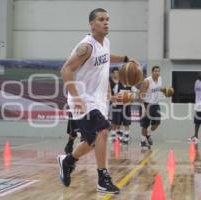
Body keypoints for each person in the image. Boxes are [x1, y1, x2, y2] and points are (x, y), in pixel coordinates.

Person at [57, 8, 138, 194]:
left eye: (108, 19)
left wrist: (124, 60)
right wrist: (76, 96)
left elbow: (105, 62)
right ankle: (103, 178)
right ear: (92, 24)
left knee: (92, 141)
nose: (106, 22)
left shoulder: (105, 43)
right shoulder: (86, 47)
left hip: (98, 100)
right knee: (103, 130)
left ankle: (67, 161)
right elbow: (66, 70)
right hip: (82, 99)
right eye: (101, 19)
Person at [109, 67, 137, 144]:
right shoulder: (118, 84)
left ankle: (126, 138)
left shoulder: (130, 85)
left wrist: (132, 98)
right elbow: (114, 94)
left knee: (126, 123)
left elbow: (136, 92)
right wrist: (115, 101)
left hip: (127, 106)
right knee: (117, 122)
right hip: (118, 105)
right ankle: (117, 137)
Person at [139, 66, 163, 149]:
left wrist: (165, 91)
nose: (157, 73)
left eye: (158, 71)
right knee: (145, 125)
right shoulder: (147, 81)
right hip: (147, 104)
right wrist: (143, 107)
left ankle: (148, 134)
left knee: (157, 122)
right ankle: (142, 142)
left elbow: (159, 89)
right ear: (152, 72)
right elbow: (141, 94)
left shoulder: (160, 79)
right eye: (155, 71)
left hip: (156, 104)